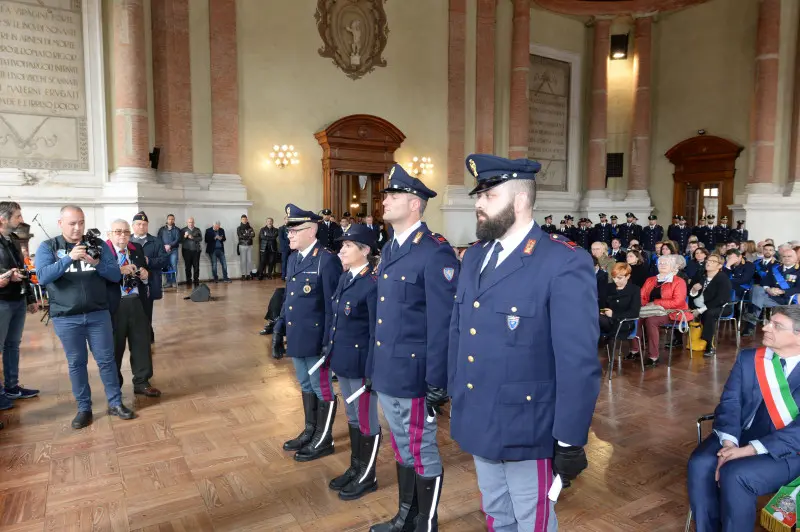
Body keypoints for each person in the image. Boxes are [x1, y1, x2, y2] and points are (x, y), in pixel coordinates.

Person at [449, 154, 600, 531]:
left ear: (519, 200)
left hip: (527, 425)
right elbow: (460, 332)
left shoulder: (562, 262)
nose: (478, 203)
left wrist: (569, 438)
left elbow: (577, 360)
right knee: (497, 515)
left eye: (488, 194)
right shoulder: (476, 257)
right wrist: (455, 393)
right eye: (477, 195)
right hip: (479, 413)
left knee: (531, 521)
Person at [369, 164, 459, 532]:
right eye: (386, 195)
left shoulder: (434, 253)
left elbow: (443, 323)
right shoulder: (391, 247)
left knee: (421, 449)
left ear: (415, 205)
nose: (385, 200)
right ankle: (406, 516)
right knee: (402, 447)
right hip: (389, 371)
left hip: (415, 374)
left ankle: (426, 523)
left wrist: (438, 380)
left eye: (393, 195)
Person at [687, 306, 800, 532]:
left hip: (788, 450)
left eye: (776, 326)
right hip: (738, 436)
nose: (764, 327)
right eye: (769, 321)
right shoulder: (749, 359)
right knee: (700, 463)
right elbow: (730, 403)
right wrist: (730, 444)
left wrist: (747, 451)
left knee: (736, 474)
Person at [35, 205, 135, 429]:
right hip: (66, 317)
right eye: (72, 223)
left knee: (107, 361)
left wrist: (97, 263)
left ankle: (115, 403)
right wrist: (68, 258)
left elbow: (114, 275)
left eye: (81, 222)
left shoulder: (97, 245)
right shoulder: (48, 247)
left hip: (98, 313)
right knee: (76, 363)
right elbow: (42, 277)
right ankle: (84, 408)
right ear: (61, 223)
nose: (77, 228)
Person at [271, 204, 342, 462]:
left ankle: (324, 438)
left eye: (294, 231)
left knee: (322, 388)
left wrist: (328, 343)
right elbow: (290, 298)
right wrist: (279, 327)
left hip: (317, 340)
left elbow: (332, 307)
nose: (289, 235)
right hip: (298, 336)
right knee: (304, 384)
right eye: (288, 231)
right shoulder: (294, 258)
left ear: (311, 231)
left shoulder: (327, 260)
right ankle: (310, 430)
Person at [326, 224, 381, 501]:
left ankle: (367, 476)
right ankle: (356, 466)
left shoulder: (371, 284)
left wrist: (372, 370)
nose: (342, 250)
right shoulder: (346, 278)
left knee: (366, 420)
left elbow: (375, 332)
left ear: (365, 250)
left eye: (348, 246)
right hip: (344, 361)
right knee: (352, 417)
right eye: (342, 245)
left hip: (361, 365)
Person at [105, 220, 160, 397]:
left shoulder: (136, 248)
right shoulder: (103, 252)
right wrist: (119, 271)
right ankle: (114, 386)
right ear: (109, 234)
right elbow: (98, 277)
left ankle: (142, 381)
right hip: (114, 304)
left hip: (137, 301)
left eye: (126, 232)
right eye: (118, 232)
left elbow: (145, 274)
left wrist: (145, 275)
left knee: (141, 343)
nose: (122, 235)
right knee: (115, 346)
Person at [0, 201, 39, 408]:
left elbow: (23, 270)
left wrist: (30, 298)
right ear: (3, 219)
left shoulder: (14, 239)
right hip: (1, 301)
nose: (21, 220)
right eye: (17, 216)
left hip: (17, 299)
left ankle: (12, 387)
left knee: (12, 345)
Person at [631, 254, 692, 367]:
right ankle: (635, 350)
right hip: (650, 310)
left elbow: (678, 302)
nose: (662, 265)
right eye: (660, 263)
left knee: (651, 321)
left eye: (665, 263)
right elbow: (641, 296)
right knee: (636, 318)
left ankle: (653, 356)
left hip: (673, 312)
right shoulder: (650, 280)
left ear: (673, 267)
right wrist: (647, 305)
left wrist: (655, 303)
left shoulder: (679, 281)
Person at [131, 212, 168, 343]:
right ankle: (135, 337)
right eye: (139, 224)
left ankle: (147, 336)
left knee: (146, 311)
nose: (141, 226)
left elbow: (164, 260)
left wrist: (149, 261)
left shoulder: (156, 241)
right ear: (133, 225)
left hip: (149, 282)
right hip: (130, 284)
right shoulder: (127, 241)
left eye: (144, 224)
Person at [688, 252, 733, 357]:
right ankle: (681, 340)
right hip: (698, 305)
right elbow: (690, 293)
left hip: (721, 307)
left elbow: (721, 299)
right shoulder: (700, 275)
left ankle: (709, 345)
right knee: (683, 310)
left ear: (719, 266)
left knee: (709, 314)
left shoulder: (722, 278)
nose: (708, 263)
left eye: (713, 261)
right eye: (708, 261)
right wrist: (694, 290)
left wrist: (700, 310)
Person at [601, 262, 642, 338]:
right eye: (614, 277)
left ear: (628, 276)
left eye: (619, 278)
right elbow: (601, 306)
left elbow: (634, 312)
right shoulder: (608, 287)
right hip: (606, 321)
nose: (616, 280)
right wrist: (603, 311)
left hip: (624, 323)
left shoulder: (634, 289)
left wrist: (613, 315)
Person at [156, 214, 180, 288]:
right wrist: (165, 246)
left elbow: (177, 239)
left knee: (173, 265)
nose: (171, 220)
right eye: (169, 219)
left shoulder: (177, 229)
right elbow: (159, 239)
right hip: (164, 251)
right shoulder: (162, 229)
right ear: (167, 220)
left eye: (172, 219)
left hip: (174, 250)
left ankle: (174, 282)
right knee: (166, 266)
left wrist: (170, 245)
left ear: (174, 220)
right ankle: (168, 282)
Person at [179, 217, 202, 286]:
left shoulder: (197, 230)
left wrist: (193, 238)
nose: (191, 223)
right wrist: (185, 236)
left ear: (194, 223)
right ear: (187, 223)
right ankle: (188, 281)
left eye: (192, 222)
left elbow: (200, 238)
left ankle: (196, 280)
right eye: (189, 222)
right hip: (186, 251)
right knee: (188, 266)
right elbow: (180, 241)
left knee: (196, 266)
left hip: (196, 251)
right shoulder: (183, 230)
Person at [236, 214, 255, 280]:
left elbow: (253, 235)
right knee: (243, 261)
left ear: (247, 220)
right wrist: (248, 235)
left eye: (245, 219)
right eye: (243, 219)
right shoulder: (239, 228)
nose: (244, 220)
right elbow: (240, 236)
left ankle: (248, 274)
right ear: (241, 220)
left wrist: (245, 235)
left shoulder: (250, 228)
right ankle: (243, 274)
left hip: (249, 245)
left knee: (249, 261)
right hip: (242, 245)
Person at [278, 215, 291, 280]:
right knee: (284, 262)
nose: (288, 220)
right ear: (284, 220)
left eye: (289, 219)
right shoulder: (281, 228)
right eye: (287, 219)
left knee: (291, 262)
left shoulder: (293, 227)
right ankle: (283, 276)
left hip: (293, 248)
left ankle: (290, 275)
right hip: (285, 248)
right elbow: (281, 239)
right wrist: (289, 244)